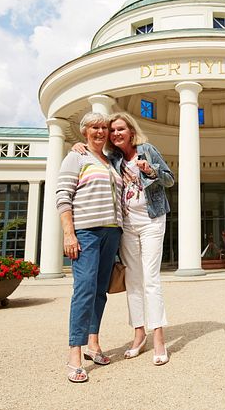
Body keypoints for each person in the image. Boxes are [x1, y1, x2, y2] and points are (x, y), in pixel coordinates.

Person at [77, 111, 174, 366]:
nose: (116, 133)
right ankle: (139, 333)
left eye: (121, 129)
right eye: (113, 130)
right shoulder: (113, 159)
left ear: (131, 131)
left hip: (152, 220)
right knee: (133, 280)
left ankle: (158, 338)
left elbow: (169, 179)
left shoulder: (147, 150)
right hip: (127, 225)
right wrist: (79, 145)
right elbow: (92, 157)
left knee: (151, 279)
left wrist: (150, 171)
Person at [56, 112, 123, 383]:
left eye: (104, 127)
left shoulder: (111, 161)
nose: (100, 131)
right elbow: (63, 195)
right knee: (83, 290)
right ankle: (75, 353)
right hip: (86, 231)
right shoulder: (76, 156)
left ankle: (93, 344)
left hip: (111, 232)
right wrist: (69, 234)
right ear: (85, 131)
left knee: (99, 292)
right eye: (95, 127)